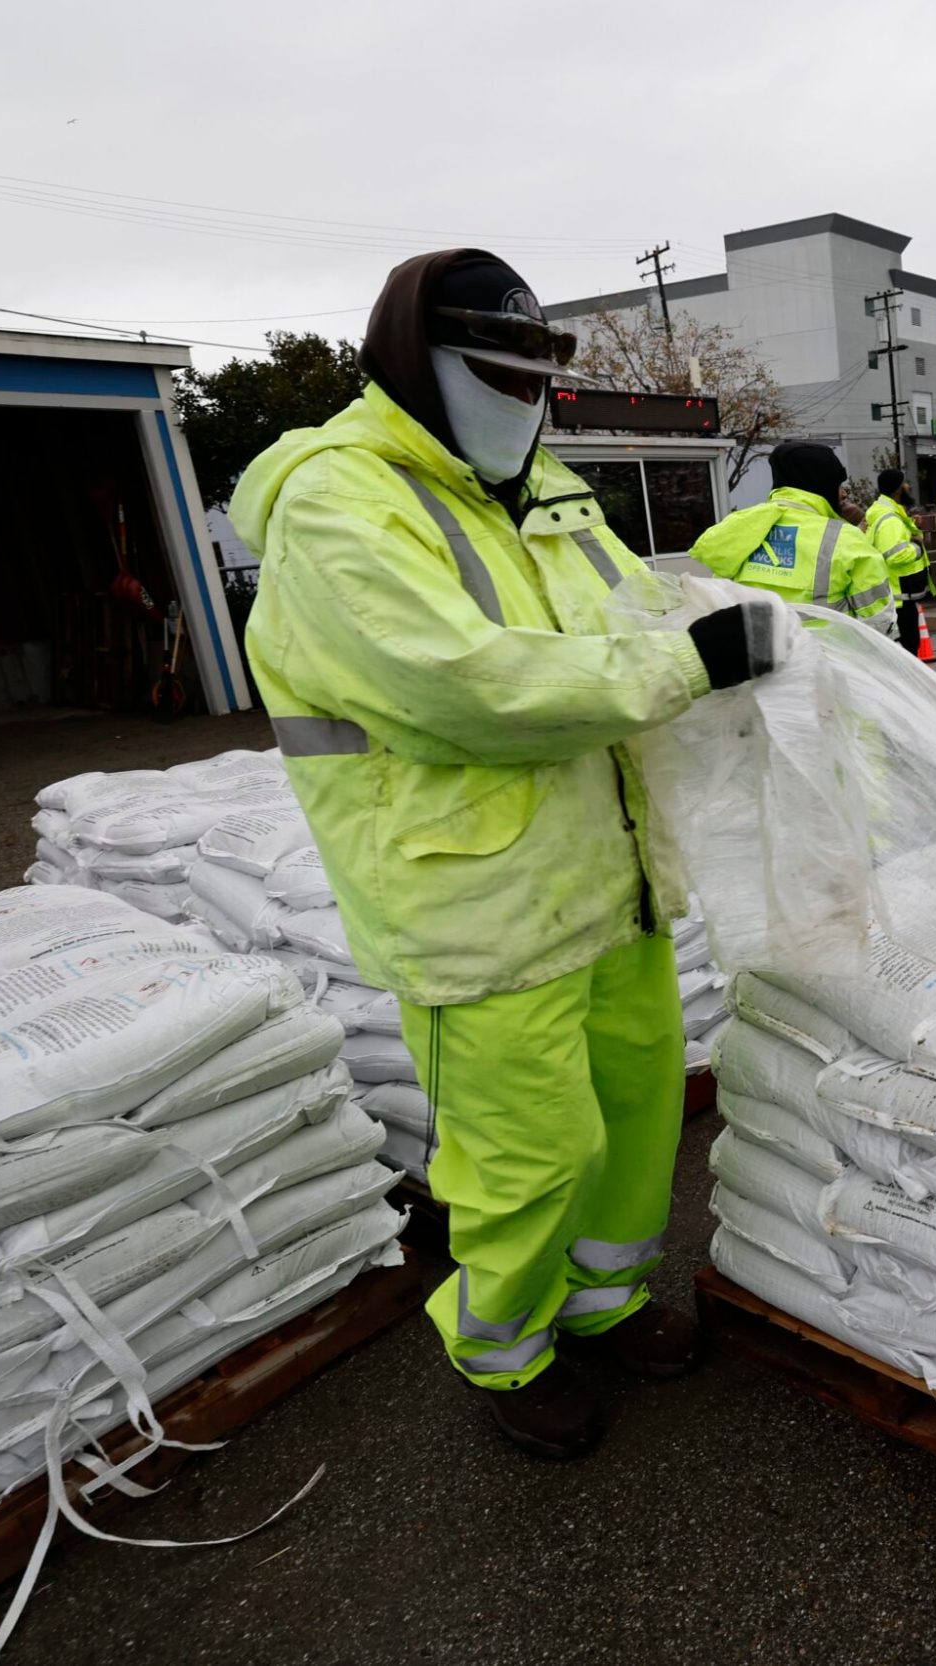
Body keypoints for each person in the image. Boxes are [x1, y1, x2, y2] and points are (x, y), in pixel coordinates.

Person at [231, 248, 789, 1458]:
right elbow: (461, 686)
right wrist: (693, 663)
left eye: (541, 376)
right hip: (476, 902)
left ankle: (603, 1301)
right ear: (409, 365)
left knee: (637, 1112)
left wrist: (729, 636)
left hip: (612, 879)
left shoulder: (550, 494)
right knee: (527, 1151)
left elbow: (633, 617)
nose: (524, 401)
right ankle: (504, 1347)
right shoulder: (343, 503)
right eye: (498, 373)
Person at [691, 442, 896, 630]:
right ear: (821, 484)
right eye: (838, 485)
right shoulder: (847, 539)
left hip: (756, 666)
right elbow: (878, 622)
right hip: (827, 666)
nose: (843, 494)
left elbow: (718, 603)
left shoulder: (740, 527)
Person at [862, 467, 934, 654]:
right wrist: (917, 547)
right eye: (905, 483)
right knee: (909, 649)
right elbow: (895, 555)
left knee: (905, 648)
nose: (908, 486)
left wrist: (913, 527)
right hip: (899, 598)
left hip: (896, 598)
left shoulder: (888, 514)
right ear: (897, 490)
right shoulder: (890, 520)